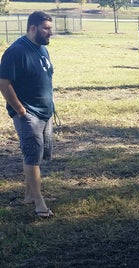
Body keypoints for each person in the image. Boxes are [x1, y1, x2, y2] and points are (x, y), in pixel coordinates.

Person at [0, 11, 56, 218]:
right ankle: (39, 202)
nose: (51, 33)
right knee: (32, 156)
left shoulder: (41, 49)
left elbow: (45, 76)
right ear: (33, 28)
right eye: (46, 28)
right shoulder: (16, 51)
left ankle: (28, 194)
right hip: (28, 114)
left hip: (45, 111)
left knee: (41, 154)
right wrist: (20, 110)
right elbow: (3, 83)